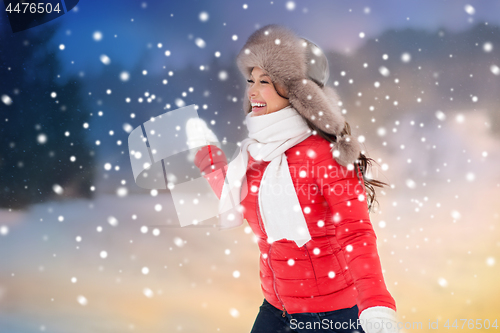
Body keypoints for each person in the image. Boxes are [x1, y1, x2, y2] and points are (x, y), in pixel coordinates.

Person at [194, 24, 397, 333]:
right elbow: (240, 198)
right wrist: (211, 162)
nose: (252, 91)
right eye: (251, 80)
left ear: (297, 91)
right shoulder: (257, 153)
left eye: (265, 81)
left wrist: (376, 304)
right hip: (275, 308)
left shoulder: (326, 156)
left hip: (330, 316)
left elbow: (356, 233)